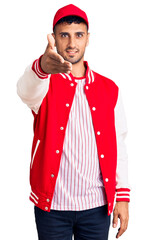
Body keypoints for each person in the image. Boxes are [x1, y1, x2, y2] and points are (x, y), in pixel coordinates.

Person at [17, 4, 130, 240]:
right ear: (54, 39)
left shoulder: (110, 90)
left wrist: (122, 197)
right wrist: (41, 68)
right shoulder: (44, 82)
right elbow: (25, 91)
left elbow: (118, 145)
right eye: (64, 35)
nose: (71, 43)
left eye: (78, 35)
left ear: (88, 38)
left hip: (96, 206)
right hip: (53, 207)